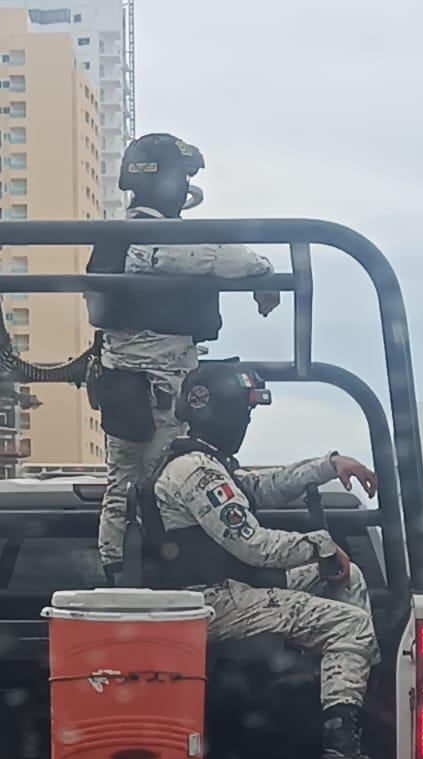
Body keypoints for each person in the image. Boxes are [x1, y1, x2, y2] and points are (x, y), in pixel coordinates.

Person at [151, 362, 409, 759]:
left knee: (350, 579)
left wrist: (329, 465)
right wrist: (320, 546)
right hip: (207, 602)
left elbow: (263, 488)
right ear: (215, 410)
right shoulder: (196, 472)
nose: (246, 424)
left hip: (219, 594)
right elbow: (253, 545)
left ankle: (341, 688)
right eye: (243, 414)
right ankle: (339, 751)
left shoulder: (208, 464)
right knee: (352, 622)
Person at [87, 133, 280, 578]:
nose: (186, 186)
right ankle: (161, 576)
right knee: (170, 480)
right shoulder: (155, 240)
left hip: (123, 383)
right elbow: (218, 257)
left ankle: (116, 571)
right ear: (168, 183)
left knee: (123, 483)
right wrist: (264, 271)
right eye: (183, 177)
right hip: (162, 383)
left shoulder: (116, 236)